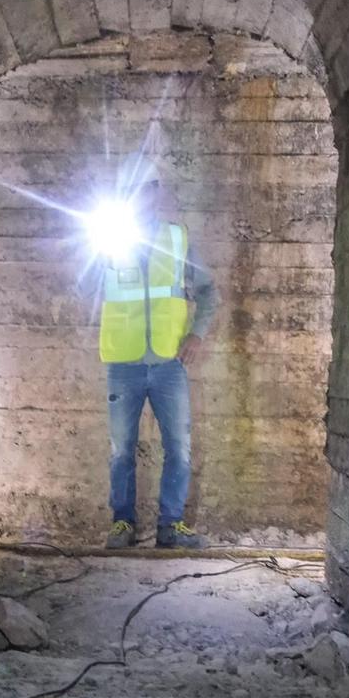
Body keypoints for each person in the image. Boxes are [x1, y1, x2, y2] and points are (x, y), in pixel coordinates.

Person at [95, 177, 217, 549]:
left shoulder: (177, 239)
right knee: (121, 449)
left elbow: (210, 291)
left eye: (145, 189)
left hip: (168, 363)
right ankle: (123, 524)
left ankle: (170, 526)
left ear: (154, 194)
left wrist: (197, 334)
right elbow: (85, 288)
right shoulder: (109, 239)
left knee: (179, 447)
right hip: (124, 363)